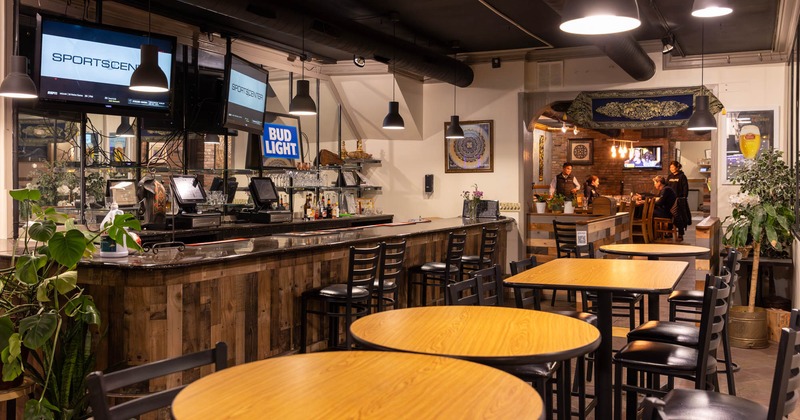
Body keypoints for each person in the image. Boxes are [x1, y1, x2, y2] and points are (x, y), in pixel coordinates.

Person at [667, 160, 691, 241]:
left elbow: (685, 188)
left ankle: (680, 233)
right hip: (670, 200)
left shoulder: (682, 176)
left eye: (673, 167)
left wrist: (684, 197)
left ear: (677, 167)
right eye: (670, 167)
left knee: (678, 217)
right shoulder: (669, 177)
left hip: (679, 200)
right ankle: (669, 232)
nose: (671, 169)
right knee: (670, 215)